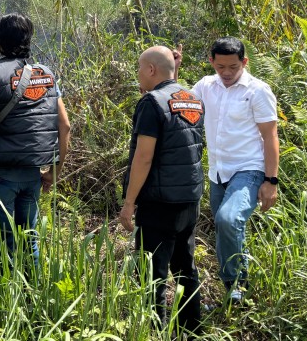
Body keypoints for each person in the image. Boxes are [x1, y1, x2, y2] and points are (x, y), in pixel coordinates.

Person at [0, 13, 71, 266]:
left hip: (0, 176)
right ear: (28, 40)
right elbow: (65, 125)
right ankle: (32, 299)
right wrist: (55, 170)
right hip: (33, 174)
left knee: (3, 243)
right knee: (30, 241)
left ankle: (5, 301)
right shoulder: (47, 74)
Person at [186, 37, 279, 303]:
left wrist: (271, 181)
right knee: (227, 227)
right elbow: (183, 105)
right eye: (221, 67)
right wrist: (176, 70)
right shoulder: (206, 86)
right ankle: (239, 293)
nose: (226, 73)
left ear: (244, 62)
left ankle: (235, 285)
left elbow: (270, 136)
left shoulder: (257, 90)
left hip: (249, 169)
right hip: (218, 171)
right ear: (212, 61)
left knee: (228, 219)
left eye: (233, 67)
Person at [119, 46, 205, 334]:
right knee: (185, 268)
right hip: (188, 199)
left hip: (159, 203)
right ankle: (191, 331)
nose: (138, 73)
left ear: (151, 70)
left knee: (152, 274)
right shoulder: (192, 98)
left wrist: (129, 202)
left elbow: (144, 156)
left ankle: (153, 332)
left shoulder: (151, 104)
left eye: (140, 67)